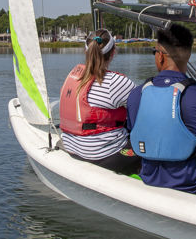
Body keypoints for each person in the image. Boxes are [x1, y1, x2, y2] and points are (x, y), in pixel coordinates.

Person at [126, 23, 196, 202]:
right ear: (188, 56)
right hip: (194, 185)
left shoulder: (136, 95)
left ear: (160, 57)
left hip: (151, 180)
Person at [59, 29, 140, 174]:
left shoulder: (74, 76)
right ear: (113, 52)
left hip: (71, 146)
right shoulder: (116, 82)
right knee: (147, 146)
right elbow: (147, 108)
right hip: (101, 154)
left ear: (86, 51)